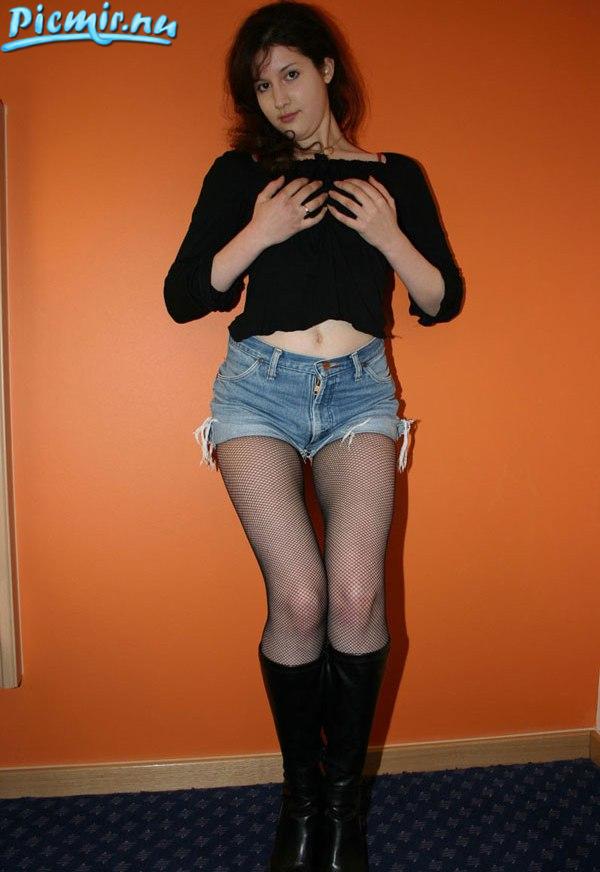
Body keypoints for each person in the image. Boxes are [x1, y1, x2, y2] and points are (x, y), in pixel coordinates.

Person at [163, 2, 464, 869]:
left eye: (291, 73)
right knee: (299, 599)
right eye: (262, 86)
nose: (279, 98)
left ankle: (343, 811)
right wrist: (257, 232)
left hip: (361, 392)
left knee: (357, 598)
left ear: (328, 69)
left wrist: (388, 234)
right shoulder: (243, 177)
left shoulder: (393, 176)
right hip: (260, 391)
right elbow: (184, 295)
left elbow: (441, 299)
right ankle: (300, 803)